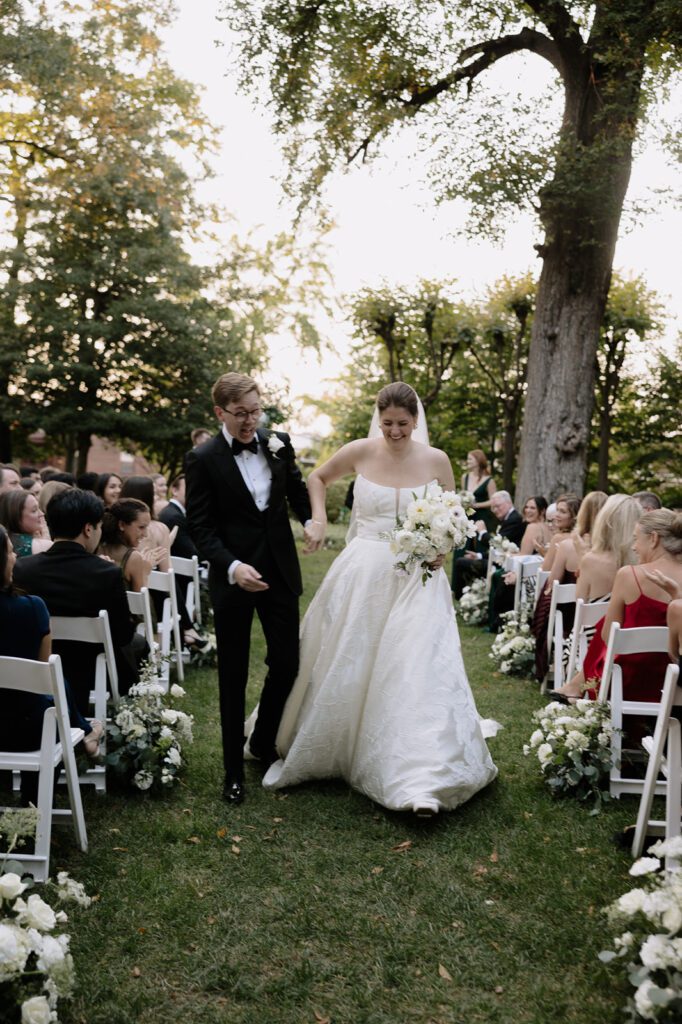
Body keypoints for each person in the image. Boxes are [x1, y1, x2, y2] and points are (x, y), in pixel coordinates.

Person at [262, 381, 498, 817]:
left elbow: (455, 513)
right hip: (362, 572)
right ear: (378, 418)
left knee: (415, 665)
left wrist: (442, 548)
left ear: (415, 420)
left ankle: (421, 773)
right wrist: (316, 518)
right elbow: (317, 477)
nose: (394, 432)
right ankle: (336, 740)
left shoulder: (436, 460)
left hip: (418, 576)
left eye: (403, 425)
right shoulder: (359, 450)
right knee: (350, 654)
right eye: (387, 423)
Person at [185, 371, 313, 805]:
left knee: (287, 663)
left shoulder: (278, 442)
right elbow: (200, 528)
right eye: (241, 414)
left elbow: (295, 489)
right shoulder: (202, 459)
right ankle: (232, 773)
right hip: (233, 578)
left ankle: (260, 740)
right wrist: (233, 566)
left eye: (256, 411)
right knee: (234, 676)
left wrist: (311, 519)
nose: (250, 421)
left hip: (279, 570)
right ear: (220, 412)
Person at [13, 489, 138, 714]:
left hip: (38, 667)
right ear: (88, 529)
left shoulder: (23, 568)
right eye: (99, 526)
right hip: (93, 670)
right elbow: (122, 634)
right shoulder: (106, 572)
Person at [0, 527, 102, 797]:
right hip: (26, 731)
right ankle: (33, 808)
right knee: (53, 691)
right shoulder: (33, 608)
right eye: (11, 550)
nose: (14, 556)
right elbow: (42, 674)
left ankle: (84, 727)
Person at [552, 509, 682, 702]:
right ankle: (575, 685)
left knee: (609, 625)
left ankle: (577, 685)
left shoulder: (629, 575)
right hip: (673, 677)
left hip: (628, 679)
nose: (634, 547)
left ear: (654, 539)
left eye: (636, 538)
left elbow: (607, 636)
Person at [451, 490, 524, 600]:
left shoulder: (514, 519)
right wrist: (479, 556)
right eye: (493, 507)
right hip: (500, 560)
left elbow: (499, 545)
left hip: (505, 565)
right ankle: (467, 597)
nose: (495, 510)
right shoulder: (509, 518)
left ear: (508, 503)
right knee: (463, 561)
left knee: (461, 562)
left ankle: (459, 597)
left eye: (498, 506)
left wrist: (482, 532)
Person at [99, 498, 162, 592]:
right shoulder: (133, 557)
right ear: (122, 525)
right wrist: (145, 571)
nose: (146, 534)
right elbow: (140, 603)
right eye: (141, 527)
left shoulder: (98, 547)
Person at [0, 489, 52, 557]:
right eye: (34, 510)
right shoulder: (41, 546)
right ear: (16, 516)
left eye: (39, 508)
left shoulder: (4, 543)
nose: (42, 514)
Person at [461, 449, 497, 531]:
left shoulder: (489, 481)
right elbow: (463, 495)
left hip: (482, 517)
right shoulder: (464, 477)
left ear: (478, 461)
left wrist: (476, 505)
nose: (468, 461)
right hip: (467, 516)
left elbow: (493, 501)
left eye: (470, 459)